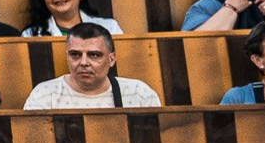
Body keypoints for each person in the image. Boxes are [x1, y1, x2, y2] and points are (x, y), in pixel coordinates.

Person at [25, 23, 162, 109]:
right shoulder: (44, 94)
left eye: (94, 55)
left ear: (111, 59)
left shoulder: (139, 94)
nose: (84, 62)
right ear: (67, 56)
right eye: (75, 54)